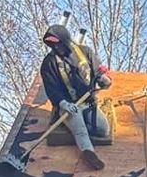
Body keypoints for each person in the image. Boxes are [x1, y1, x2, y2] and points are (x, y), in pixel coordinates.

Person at [39, 24, 111, 169]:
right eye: (53, 45)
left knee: (103, 130)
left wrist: (103, 79)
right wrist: (62, 103)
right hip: (69, 105)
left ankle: (76, 124)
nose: (57, 48)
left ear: (64, 40)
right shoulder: (49, 63)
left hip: (87, 101)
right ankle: (89, 154)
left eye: (58, 44)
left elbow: (97, 70)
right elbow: (52, 89)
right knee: (80, 129)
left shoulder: (85, 52)